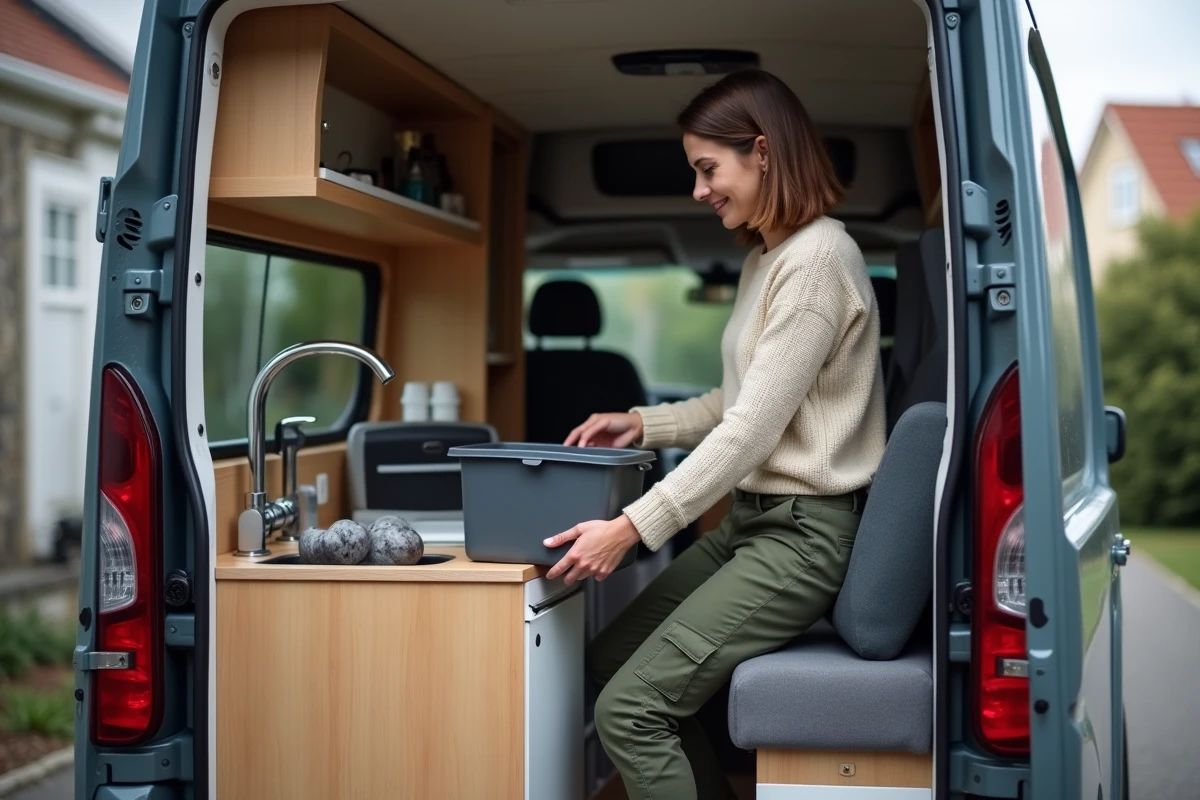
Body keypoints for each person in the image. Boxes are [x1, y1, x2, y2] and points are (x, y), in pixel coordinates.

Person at [542, 67, 888, 799]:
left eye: (708, 169)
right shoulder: (766, 259)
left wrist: (632, 528)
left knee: (630, 712)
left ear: (762, 152)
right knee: (609, 662)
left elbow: (749, 435)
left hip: (804, 538)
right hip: (750, 526)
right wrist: (641, 420)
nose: (699, 191)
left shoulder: (819, 260)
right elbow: (738, 401)